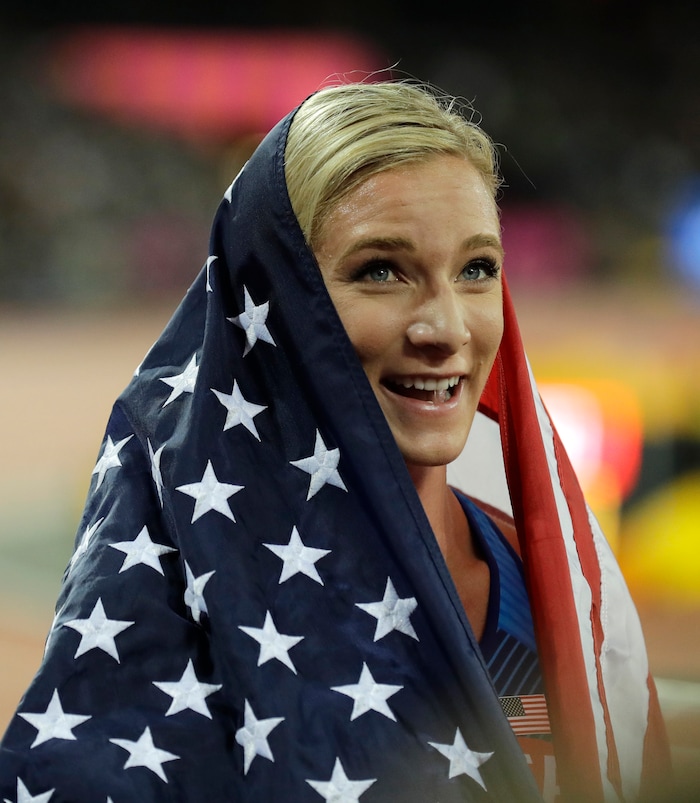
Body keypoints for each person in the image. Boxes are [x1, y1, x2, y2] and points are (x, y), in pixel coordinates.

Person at [0, 80, 669, 802]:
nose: (447, 329)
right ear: (273, 304)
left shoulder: (552, 587)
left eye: (476, 270)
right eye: (380, 271)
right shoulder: (173, 594)